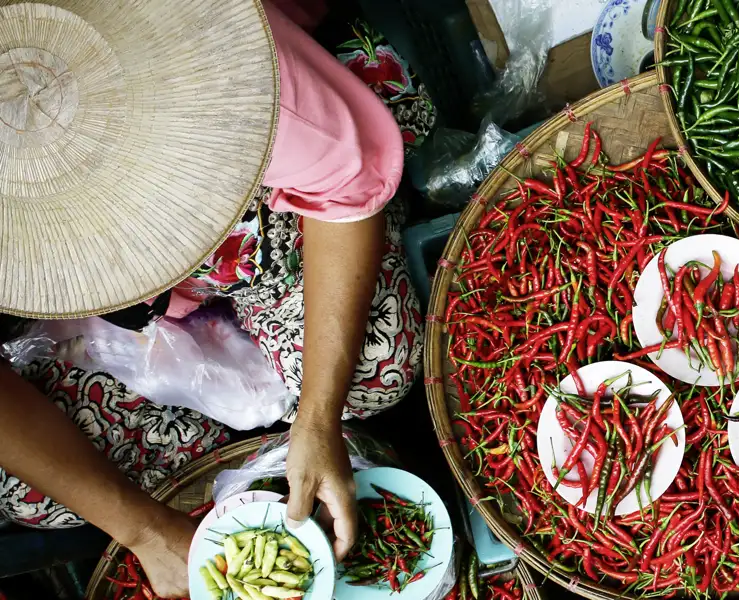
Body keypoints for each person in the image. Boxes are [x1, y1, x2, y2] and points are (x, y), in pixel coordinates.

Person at [0, 1, 423, 597]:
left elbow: (342, 184)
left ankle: (283, 437)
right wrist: (143, 530)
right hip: (118, 312)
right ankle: (254, 452)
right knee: (29, 495)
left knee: (376, 366)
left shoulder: (218, 61)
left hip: (258, 223)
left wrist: (318, 416)